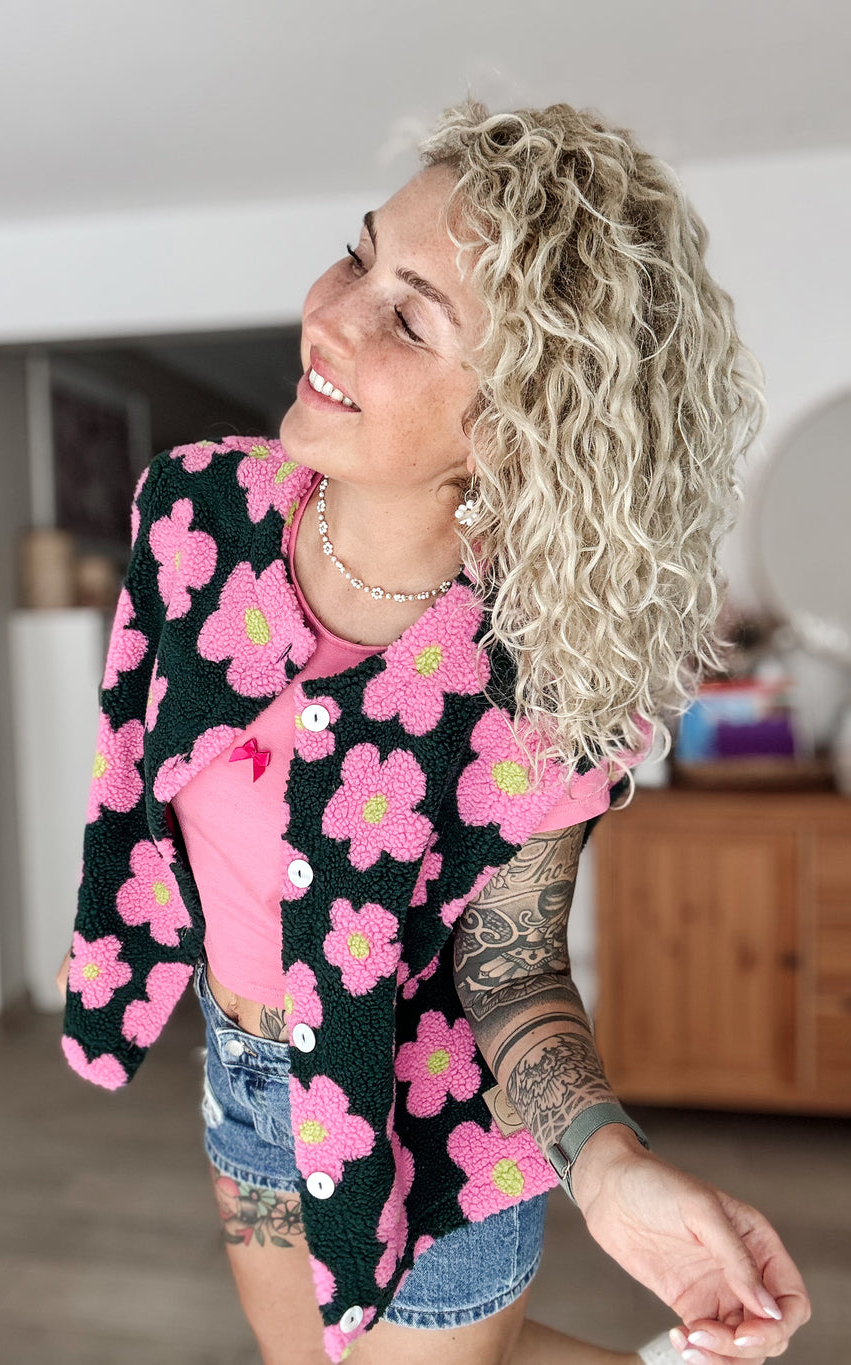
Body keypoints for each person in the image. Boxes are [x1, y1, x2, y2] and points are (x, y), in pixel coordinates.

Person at [55, 101, 811, 1365]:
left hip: (433, 1123)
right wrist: (120, 947)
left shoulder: (547, 676)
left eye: (410, 318)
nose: (329, 317)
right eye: (358, 256)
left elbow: (509, 968)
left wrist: (607, 1161)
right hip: (243, 1079)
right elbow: (137, 765)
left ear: (517, 422)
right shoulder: (191, 515)